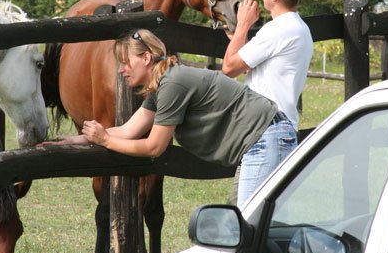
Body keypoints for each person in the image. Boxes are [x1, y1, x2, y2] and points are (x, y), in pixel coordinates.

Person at [43, 29, 290, 198]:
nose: (121, 70)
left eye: (126, 62)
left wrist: (105, 140)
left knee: (247, 228)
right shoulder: (164, 84)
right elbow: (129, 130)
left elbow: (153, 147)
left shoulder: (173, 84)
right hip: (265, 140)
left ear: (146, 58)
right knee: (247, 227)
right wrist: (76, 140)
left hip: (266, 138)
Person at [221, 0, 314, 206]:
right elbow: (255, 64)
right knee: (239, 216)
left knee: (249, 220)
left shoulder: (277, 29)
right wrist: (241, 41)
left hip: (268, 133)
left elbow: (229, 68)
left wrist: (242, 25)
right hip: (273, 133)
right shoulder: (299, 28)